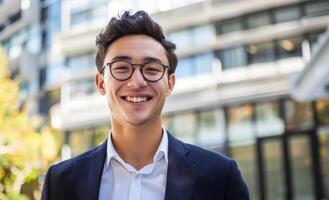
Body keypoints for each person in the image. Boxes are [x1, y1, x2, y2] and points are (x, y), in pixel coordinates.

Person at [41, 10, 249, 200]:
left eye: (151, 68)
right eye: (122, 68)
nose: (137, 81)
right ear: (101, 83)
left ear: (170, 83)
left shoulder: (220, 176)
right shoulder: (61, 181)